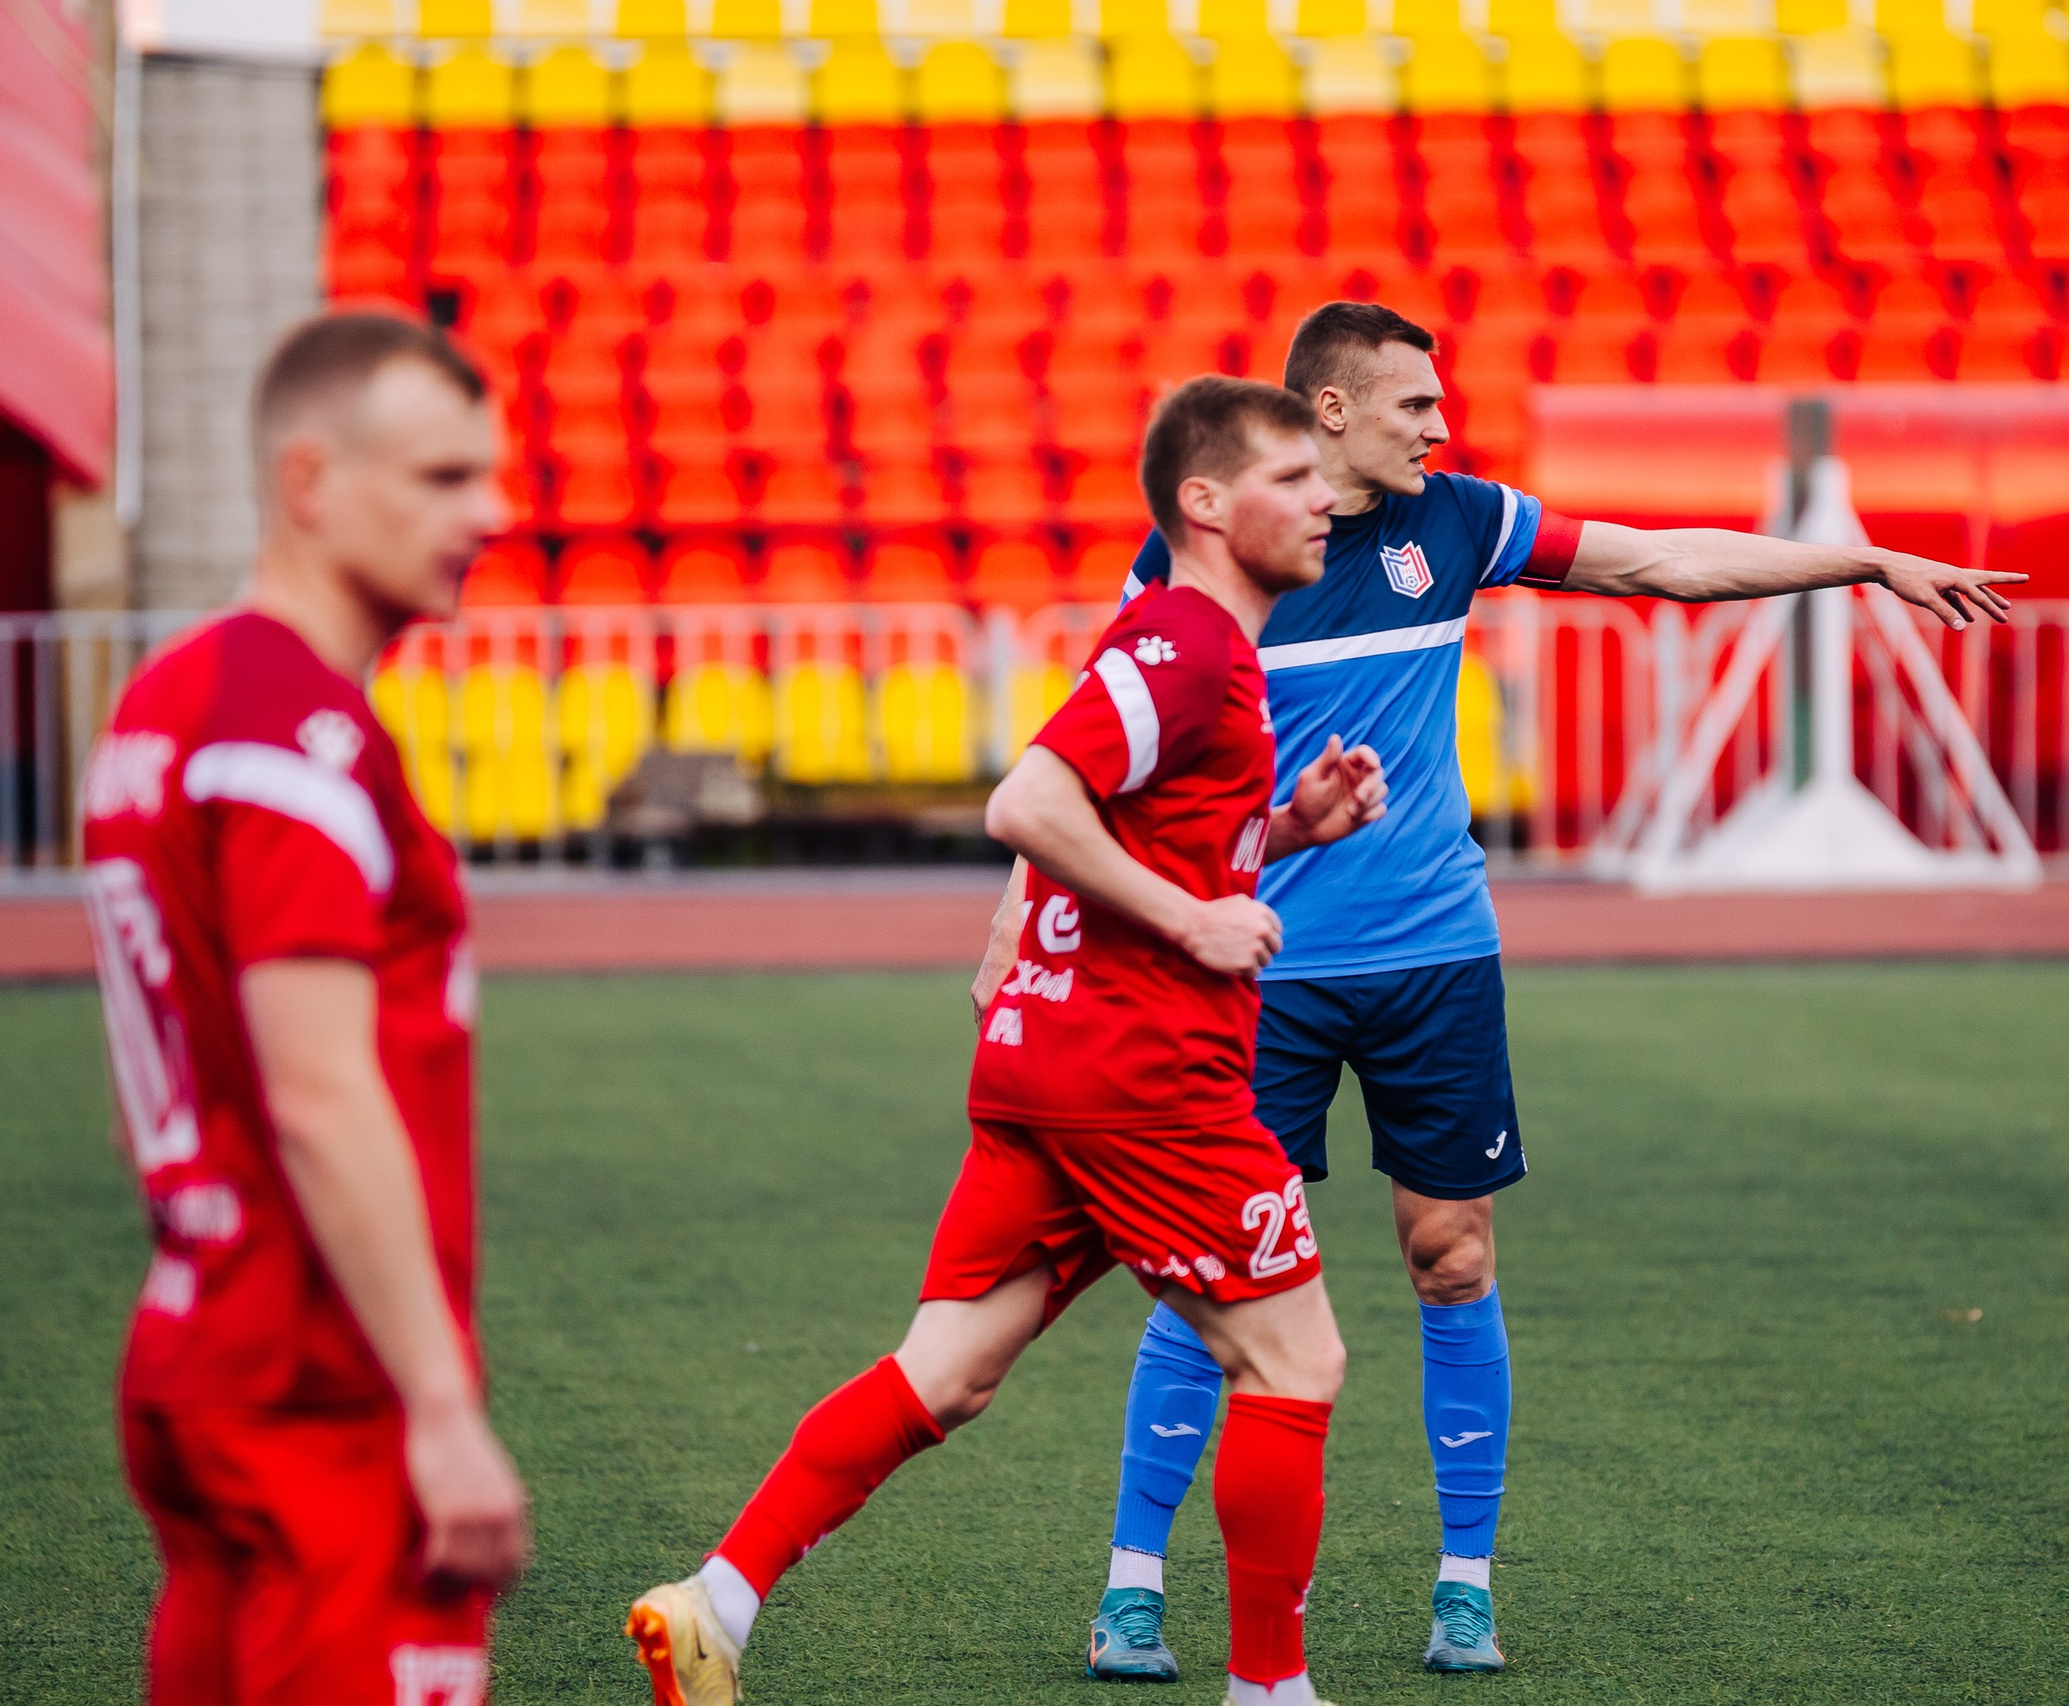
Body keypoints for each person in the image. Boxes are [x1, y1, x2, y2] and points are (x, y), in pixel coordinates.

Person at [973, 302, 2029, 1681]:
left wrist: (1864, 561)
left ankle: (1463, 1583)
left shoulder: (1461, 522)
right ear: (1332, 412)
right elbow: (1086, 760)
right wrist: (1015, 919)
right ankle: (1130, 1585)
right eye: (1415, 403)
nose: (1441, 424)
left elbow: (1662, 561)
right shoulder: (1209, 564)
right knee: (1205, 1283)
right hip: (1256, 974)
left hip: (1436, 961)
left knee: (1452, 1255)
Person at [626, 376, 1391, 1706]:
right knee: (1293, 1357)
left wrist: (1286, 832)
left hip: (1049, 1065)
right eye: (1291, 477)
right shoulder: (1191, 640)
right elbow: (1030, 797)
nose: (1326, 497)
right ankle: (1272, 1690)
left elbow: (1140, 829)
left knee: (949, 1369)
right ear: (1204, 504)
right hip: (1144, 1076)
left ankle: (715, 1603)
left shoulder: (1203, 649)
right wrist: (1200, 922)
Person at [81, 312, 527, 1704]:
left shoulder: (168, 706)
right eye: (444, 478)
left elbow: (150, 1086)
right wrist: (441, 1410)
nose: (492, 513)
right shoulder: (295, 740)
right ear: (310, 482)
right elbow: (320, 1093)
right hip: (318, 1396)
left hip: (197, 1355)